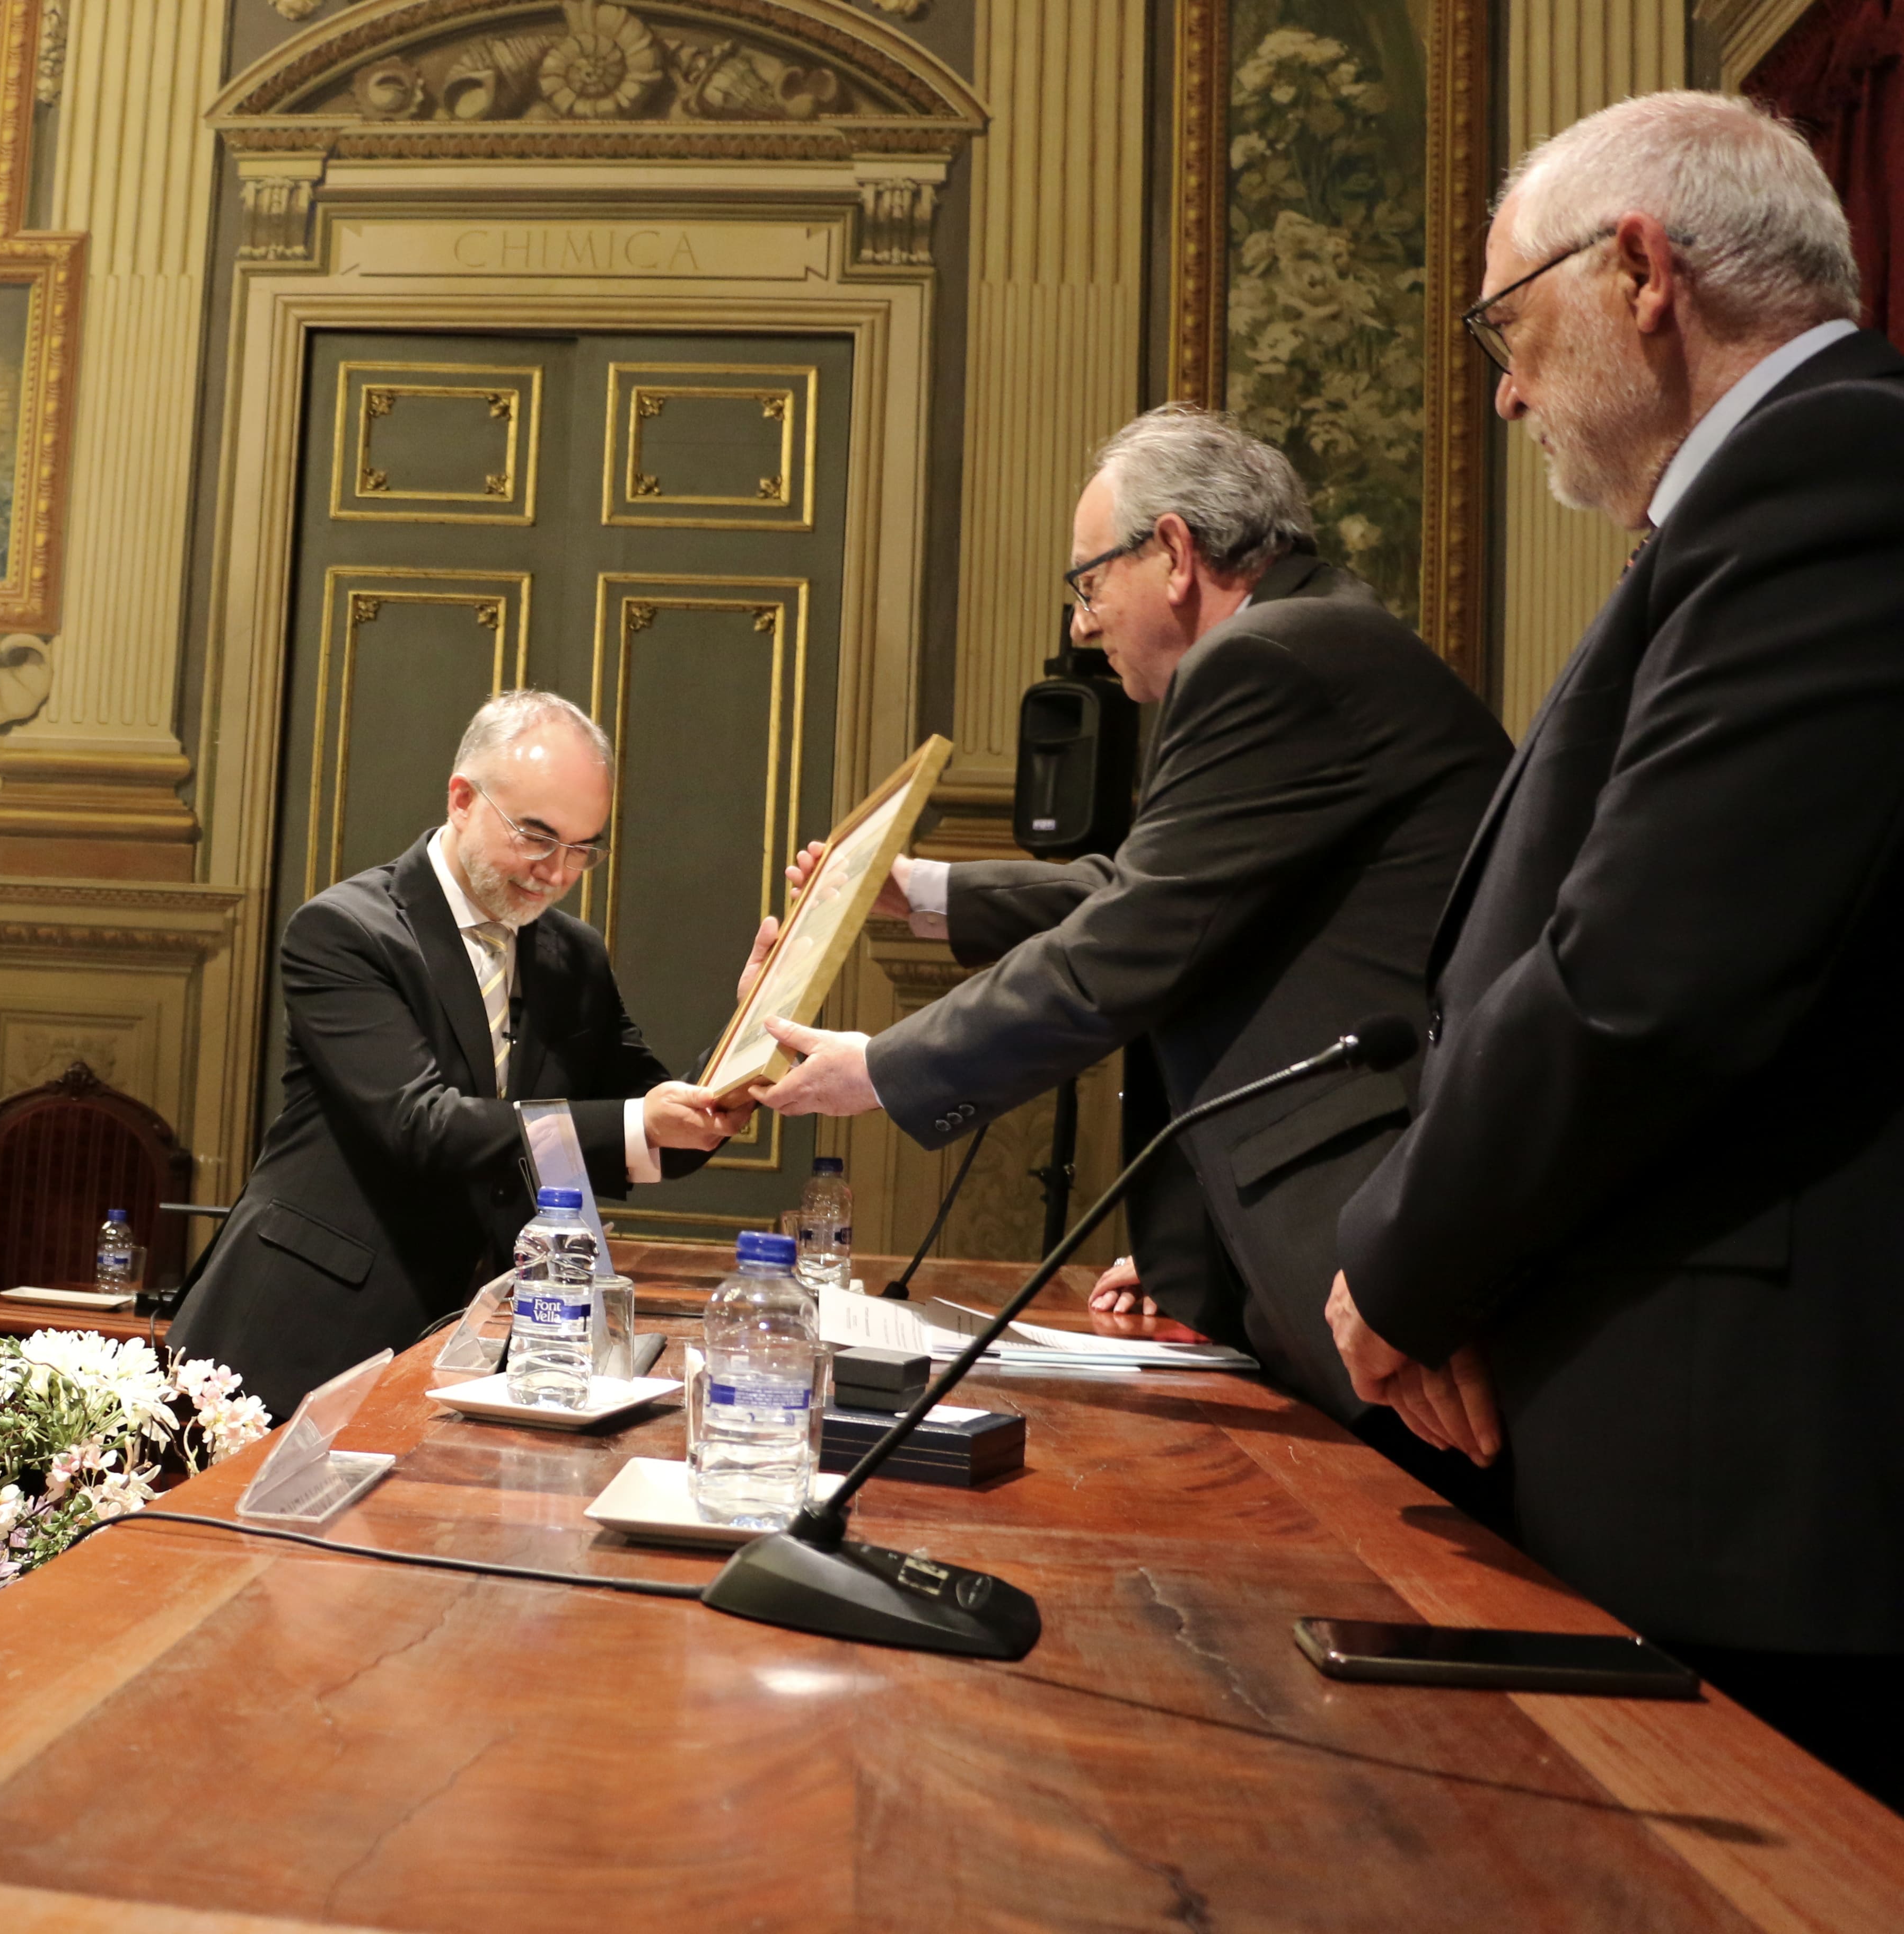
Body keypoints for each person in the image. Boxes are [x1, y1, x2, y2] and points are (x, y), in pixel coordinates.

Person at [1327, 92, 1904, 1809]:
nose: (1503, 391)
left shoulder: (1843, 473)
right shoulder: (1768, 498)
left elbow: (1648, 971)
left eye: (1510, 327)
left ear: (1641, 270)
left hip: (1755, 1473)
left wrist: (1404, 1265)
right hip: (1667, 1424)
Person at [748, 406, 1510, 1491]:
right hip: (1315, 1254)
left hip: (1378, 1266)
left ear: (1175, 553)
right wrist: (914, 894)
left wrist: (879, 1072)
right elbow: (1149, 896)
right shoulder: (1309, 639)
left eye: (1088, 582)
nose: (1082, 625)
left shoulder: (1268, 661)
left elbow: (1126, 946)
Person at [170, 691, 749, 1416]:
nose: (557, 872)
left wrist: (748, 1030)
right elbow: (424, 1125)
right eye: (536, 837)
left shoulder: (575, 955)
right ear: (463, 800)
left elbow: (664, 1133)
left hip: (462, 1347)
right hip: (300, 1330)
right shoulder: (346, 931)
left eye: (584, 849)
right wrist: (639, 1122)